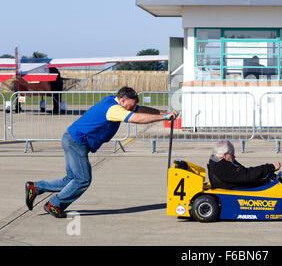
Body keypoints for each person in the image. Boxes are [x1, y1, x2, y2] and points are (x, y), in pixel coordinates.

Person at [25, 86, 178, 218]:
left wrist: (162, 113)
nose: (131, 108)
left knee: (71, 179)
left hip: (74, 139)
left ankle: (36, 187)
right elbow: (136, 118)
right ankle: (54, 204)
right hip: (76, 142)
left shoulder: (117, 102)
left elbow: (140, 110)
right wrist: (163, 117)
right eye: (130, 106)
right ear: (123, 100)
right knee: (82, 180)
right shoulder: (114, 109)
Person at [207, 140, 281, 189]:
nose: (234, 157)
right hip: (240, 191)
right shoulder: (222, 168)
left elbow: (243, 171)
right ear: (224, 155)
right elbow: (247, 175)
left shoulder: (221, 162)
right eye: (232, 155)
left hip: (242, 185)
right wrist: (270, 167)